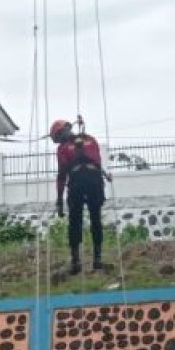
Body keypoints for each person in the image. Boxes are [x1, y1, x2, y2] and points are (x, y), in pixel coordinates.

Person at [51, 117, 112, 273]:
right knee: (95, 218)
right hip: (94, 181)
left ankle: (76, 262)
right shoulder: (91, 140)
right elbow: (97, 163)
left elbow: (62, 175)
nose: (59, 141)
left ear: (61, 133)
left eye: (58, 138)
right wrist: (102, 190)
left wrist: (59, 200)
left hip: (77, 181)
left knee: (75, 221)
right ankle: (97, 259)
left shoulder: (63, 148)